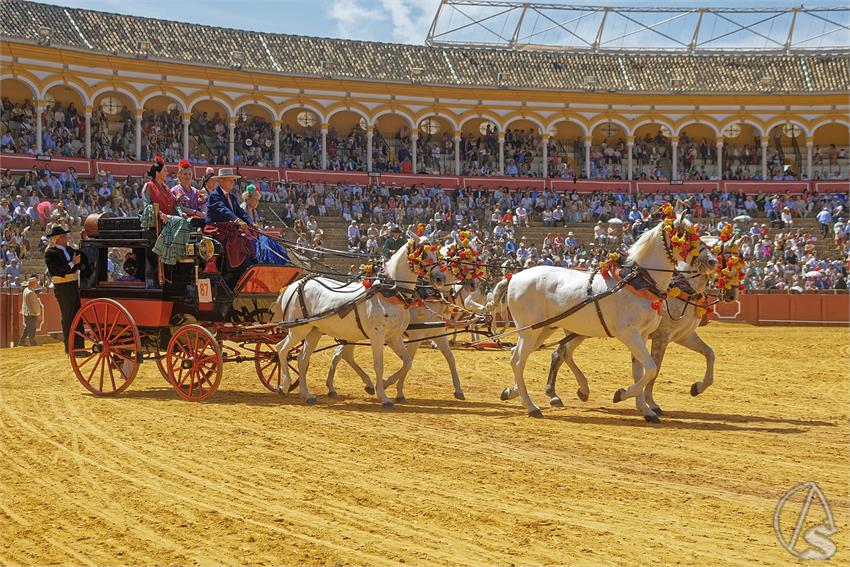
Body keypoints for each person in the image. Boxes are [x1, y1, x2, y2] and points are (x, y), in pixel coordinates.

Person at [140, 156, 192, 266]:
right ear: (158, 173)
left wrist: (180, 212)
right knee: (181, 222)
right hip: (160, 221)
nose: (167, 172)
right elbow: (147, 206)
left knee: (189, 222)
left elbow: (175, 204)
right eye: (165, 170)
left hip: (171, 219)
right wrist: (159, 213)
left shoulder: (166, 187)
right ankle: (170, 254)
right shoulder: (148, 186)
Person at [44, 226, 84, 354]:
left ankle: (79, 347)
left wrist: (84, 240)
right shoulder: (51, 253)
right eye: (65, 236)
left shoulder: (69, 249)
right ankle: (71, 348)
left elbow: (79, 257)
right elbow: (59, 271)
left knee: (78, 316)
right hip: (62, 288)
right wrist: (73, 263)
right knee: (68, 317)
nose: (67, 238)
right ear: (59, 238)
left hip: (73, 285)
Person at [18, 275, 42, 346]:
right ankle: (32, 342)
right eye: (36, 283)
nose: (37, 284)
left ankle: (21, 342)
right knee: (32, 327)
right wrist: (38, 313)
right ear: (33, 284)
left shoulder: (26, 290)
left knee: (28, 327)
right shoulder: (30, 292)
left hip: (27, 312)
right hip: (30, 313)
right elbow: (33, 305)